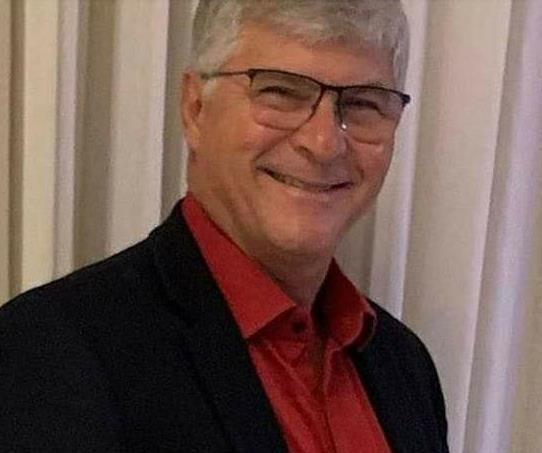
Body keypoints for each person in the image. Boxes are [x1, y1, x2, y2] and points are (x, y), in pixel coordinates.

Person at [0, 1, 449, 452]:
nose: (324, 143)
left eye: (363, 103)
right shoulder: (51, 353)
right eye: (280, 92)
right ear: (195, 108)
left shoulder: (404, 365)